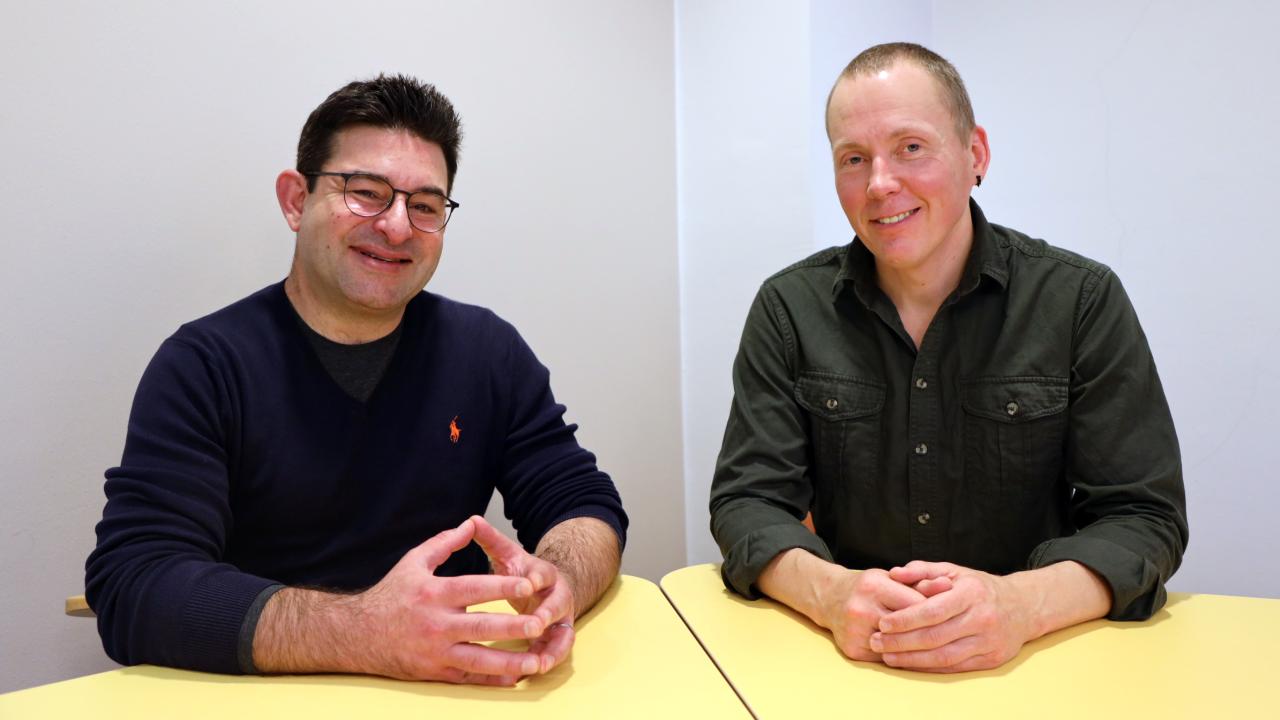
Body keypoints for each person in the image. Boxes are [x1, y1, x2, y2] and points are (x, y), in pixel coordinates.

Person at [86, 74, 627, 686]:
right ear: (296, 200)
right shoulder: (205, 365)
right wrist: (365, 630)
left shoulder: (486, 351)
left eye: (424, 206)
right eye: (366, 193)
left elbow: (582, 502)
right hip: (274, 694)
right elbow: (135, 582)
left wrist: (559, 581)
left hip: (458, 688)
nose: (397, 227)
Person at [709, 43, 1187, 673]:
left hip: (1041, 659)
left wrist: (1019, 605)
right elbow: (747, 502)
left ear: (975, 154)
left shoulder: (1080, 300)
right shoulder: (787, 308)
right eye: (854, 158)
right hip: (849, 660)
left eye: (911, 146)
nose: (880, 183)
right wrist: (832, 594)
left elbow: (1143, 516)